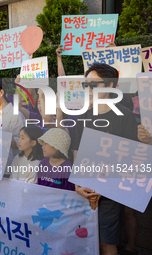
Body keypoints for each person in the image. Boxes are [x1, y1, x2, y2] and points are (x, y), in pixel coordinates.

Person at [71, 63, 138, 255]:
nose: (89, 90)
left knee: (105, 243)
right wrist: (78, 186)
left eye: (94, 85)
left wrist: (103, 186)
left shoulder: (125, 117)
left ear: (110, 86)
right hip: (85, 192)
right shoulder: (82, 117)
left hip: (110, 192)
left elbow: (128, 159)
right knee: (85, 241)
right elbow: (77, 155)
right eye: (86, 85)